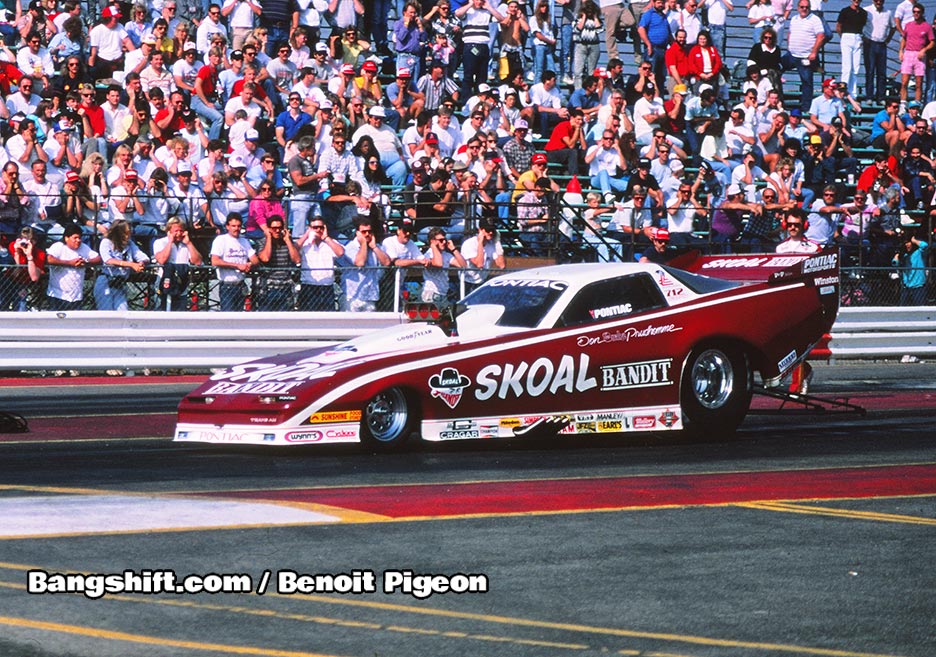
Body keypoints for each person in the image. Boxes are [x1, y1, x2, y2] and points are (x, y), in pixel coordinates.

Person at [775, 207, 820, 394]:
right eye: (790, 224)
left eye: (797, 225)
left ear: (805, 225)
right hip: (786, 300)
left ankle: (797, 385)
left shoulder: (814, 248)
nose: (793, 228)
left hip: (806, 300)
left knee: (799, 344)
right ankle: (804, 372)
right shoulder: (780, 248)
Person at [94, 220, 150, 311]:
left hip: (120, 282)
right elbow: (108, 260)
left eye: (129, 233)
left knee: (123, 312)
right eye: (126, 233)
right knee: (106, 312)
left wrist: (141, 263)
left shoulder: (130, 243)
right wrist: (131, 264)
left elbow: (142, 256)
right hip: (106, 281)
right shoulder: (106, 242)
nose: (128, 236)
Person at [45, 223, 102, 311]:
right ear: (66, 238)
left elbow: (98, 259)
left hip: (76, 296)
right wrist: (69, 263)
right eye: (75, 238)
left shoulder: (83, 247)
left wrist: (86, 262)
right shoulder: (58, 246)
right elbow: (49, 259)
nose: (78, 240)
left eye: (79, 238)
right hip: (58, 295)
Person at [152, 217, 203, 311]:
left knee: (180, 311)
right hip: (164, 280)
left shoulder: (186, 244)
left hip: (181, 281)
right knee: (160, 310)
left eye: (181, 231)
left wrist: (189, 243)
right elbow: (162, 260)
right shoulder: (160, 242)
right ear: (169, 231)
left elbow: (198, 262)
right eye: (176, 231)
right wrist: (170, 242)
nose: (179, 234)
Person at [210, 212, 259, 311]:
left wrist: (249, 264)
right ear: (227, 226)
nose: (236, 228)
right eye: (233, 226)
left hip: (241, 285)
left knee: (239, 319)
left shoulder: (244, 241)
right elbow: (215, 261)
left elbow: (255, 260)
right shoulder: (221, 240)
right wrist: (237, 266)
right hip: (227, 286)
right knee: (228, 319)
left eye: (238, 226)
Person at [341, 219, 390, 312]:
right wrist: (363, 243)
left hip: (370, 295)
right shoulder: (350, 247)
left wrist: (374, 247)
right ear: (357, 233)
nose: (367, 234)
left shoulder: (375, 247)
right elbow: (360, 263)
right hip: (352, 296)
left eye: (369, 231)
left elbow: (386, 263)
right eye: (364, 232)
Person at [256, 214, 300, 311]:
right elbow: (265, 258)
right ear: (269, 229)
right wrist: (268, 238)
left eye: (280, 228)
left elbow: (297, 260)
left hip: (285, 287)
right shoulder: (262, 242)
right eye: (274, 228)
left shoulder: (287, 242)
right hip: (268, 288)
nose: (277, 230)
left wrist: (288, 241)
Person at [2, 226, 45, 311]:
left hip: (26, 284)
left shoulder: (40, 254)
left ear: (34, 242)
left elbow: (34, 277)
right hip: (8, 281)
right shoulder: (13, 246)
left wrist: (29, 256)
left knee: (21, 304)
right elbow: (15, 274)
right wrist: (17, 254)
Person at [421, 226, 466, 306]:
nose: (444, 242)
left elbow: (463, 265)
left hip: (443, 294)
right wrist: (433, 246)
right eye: (441, 240)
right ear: (433, 241)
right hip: (431, 293)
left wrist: (453, 249)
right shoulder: (428, 255)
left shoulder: (446, 255)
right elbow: (439, 263)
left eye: (445, 240)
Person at [459, 218, 505, 293]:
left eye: (492, 230)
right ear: (480, 230)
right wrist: (480, 243)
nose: (490, 233)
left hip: (482, 282)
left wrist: (497, 242)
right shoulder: (469, 244)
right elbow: (479, 264)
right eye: (487, 230)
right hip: (468, 283)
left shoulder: (491, 245)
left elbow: (501, 265)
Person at [863, 0, 895, 101]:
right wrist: (863, 37)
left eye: (880, 0)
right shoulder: (866, 10)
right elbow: (859, 24)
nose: (878, 2)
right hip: (870, 44)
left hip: (882, 44)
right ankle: (869, 96)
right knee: (870, 71)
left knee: (881, 72)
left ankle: (880, 97)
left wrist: (888, 39)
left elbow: (893, 27)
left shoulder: (888, 13)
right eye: (876, 0)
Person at [893, 232, 929, 305]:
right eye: (905, 243)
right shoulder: (904, 256)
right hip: (906, 287)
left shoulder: (919, 253)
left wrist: (914, 240)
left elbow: (925, 245)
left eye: (908, 243)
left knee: (919, 310)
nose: (907, 245)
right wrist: (897, 255)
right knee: (904, 310)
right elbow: (895, 263)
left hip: (918, 286)